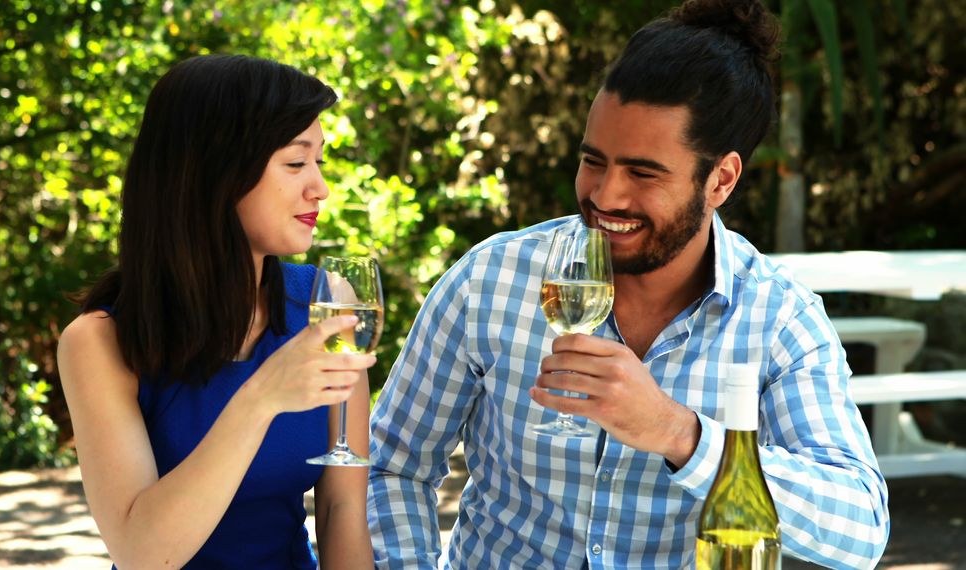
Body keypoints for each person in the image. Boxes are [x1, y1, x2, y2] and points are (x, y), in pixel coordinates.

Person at [368, 1, 890, 568]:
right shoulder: (489, 280)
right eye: (594, 160)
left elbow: (858, 530)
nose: (605, 195)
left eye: (643, 172)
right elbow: (393, 466)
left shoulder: (778, 317)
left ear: (721, 180)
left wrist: (679, 434)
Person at [57, 55, 375, 569]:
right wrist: (261, 397)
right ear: (217, 171)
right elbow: (141, 553)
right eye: (295, 163)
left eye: (320, 162)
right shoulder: (99, 341)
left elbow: (342, 510)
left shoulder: (326, 301)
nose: (320, 187)